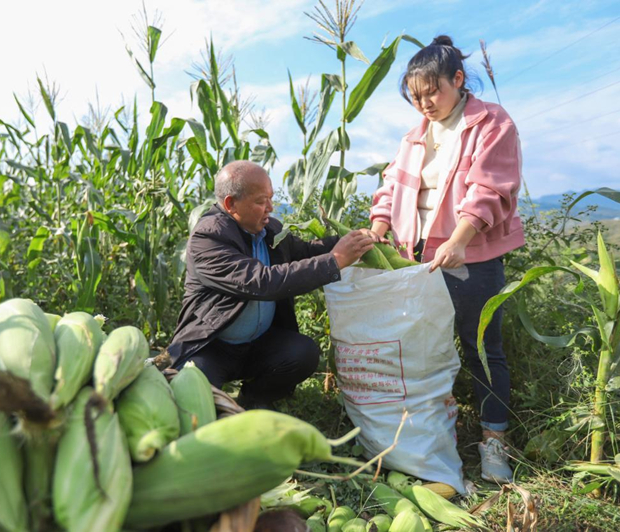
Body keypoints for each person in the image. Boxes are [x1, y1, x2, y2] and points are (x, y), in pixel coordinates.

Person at [369, 36, 525, 483]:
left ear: (458, 79)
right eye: (415, 97)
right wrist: (377, 231)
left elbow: (490, 189)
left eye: (432, 92)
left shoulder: (491, 123)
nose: (424, 104)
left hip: (469, 255)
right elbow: (391, 189)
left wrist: (459, 239)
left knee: (481, 350)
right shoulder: (415, 135)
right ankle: (433, 437)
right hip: (415, 260)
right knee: (422, 353)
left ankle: (494, 442)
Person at [168, 160, 377, 408]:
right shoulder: (209, 237)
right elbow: (262, 282)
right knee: (196, 402)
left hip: (258, 344)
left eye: (271, 198)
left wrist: (351, 241)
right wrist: (336, 261)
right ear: (230, 204)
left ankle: (253, 399)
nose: (270, 207)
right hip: (212, 346)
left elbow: (307, 252)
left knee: (303, 353)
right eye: (259, 201)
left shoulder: (270, 229)